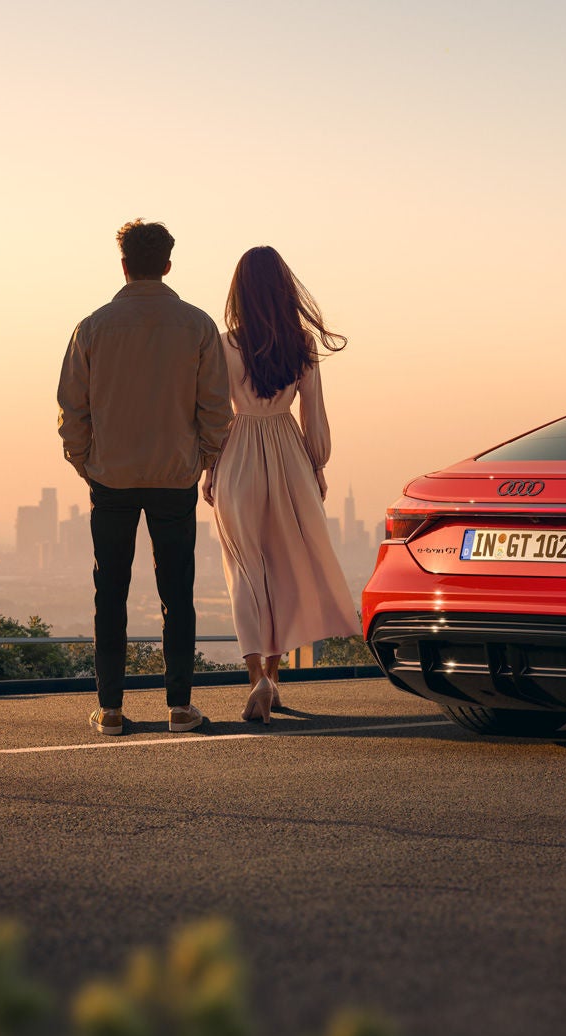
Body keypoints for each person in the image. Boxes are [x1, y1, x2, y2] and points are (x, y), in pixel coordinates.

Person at [58, 219, 231, 736]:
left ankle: (110, 708)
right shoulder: (198, 326)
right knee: (177, 592)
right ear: (168, 265)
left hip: (110, 476)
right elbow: (216, 410)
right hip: (173, 476)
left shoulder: (92, 326)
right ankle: (180, 706)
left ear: (124, 265)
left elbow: (73, 407)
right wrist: (200, 457)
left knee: (109, 591)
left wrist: (85, 462)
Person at [206, 246, 359, 722]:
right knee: (286, 567)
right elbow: (314, 414)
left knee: (245, 571)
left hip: (238, 454)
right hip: (289, 453)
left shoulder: (223, 344)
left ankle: (257, 681)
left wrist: (211, 468)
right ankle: (274, 675)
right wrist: (316, 464)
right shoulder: (302, 346)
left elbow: (212, 414)